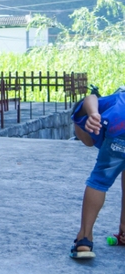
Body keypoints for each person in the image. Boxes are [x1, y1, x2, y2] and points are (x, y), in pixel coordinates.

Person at [69, 91, 125, 259]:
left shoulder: (81, 114)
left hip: (120, 125)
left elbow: (90, 98)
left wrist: (92, 113)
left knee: (99, 180)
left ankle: (84, 239)